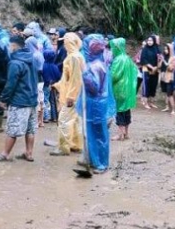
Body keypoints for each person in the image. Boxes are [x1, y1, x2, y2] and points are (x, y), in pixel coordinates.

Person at [0, 35, 38, 162]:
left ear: (14, 46)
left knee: (12, 128)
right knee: (30, 129)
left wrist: (4, 99)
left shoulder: (15, 63)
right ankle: (29, 153)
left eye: (10, 45)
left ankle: (4, 154)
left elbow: (11, 83)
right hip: (32, 99)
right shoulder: (31, 59)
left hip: (19, 100)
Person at [81, 34, 114, 174]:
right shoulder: (102, 64)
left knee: (97, 133)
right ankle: (96, 161)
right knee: (96, 133)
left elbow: (94, 88)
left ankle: (101, 163)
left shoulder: (95, 67)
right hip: (98, 103)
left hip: (95, 103)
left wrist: (85, 75)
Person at [48, 32, 84, 156]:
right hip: (74, 94)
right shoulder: (76, 56)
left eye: (65, 42)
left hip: (72, 95)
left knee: (63, 120)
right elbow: (66, 79)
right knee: (75, 121)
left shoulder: (73, 57)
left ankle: (63, 147)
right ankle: (75, 144)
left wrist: (71, 97)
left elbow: (75, 79)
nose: (63, 45)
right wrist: (57, 85)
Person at [109, 38, 138, 141]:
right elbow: (135, 72)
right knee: (126, 111)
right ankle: (126, 133)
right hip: (128, 90)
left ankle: (120, 134)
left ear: (116, 47)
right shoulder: (127, 58)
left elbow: (114, 76)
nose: (112, 50)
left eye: (113, 48)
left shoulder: (118, 60)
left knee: (120, 111)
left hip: (119, 89)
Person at [26, 36, 46, 127]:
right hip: (41, 80)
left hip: (36, 81)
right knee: (41, 101)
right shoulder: (39, 53)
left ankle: (36, 122)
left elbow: (38, 69)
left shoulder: (34, 55)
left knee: (37, 101)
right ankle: (40, 121)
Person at [139, 36, 160, 109]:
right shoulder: (145, 49)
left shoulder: (156, 49)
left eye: (151, 40)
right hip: (146, 70)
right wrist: (151, 67)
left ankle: (151, 102)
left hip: (155, 71)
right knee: (146, 86)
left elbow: (160, 59)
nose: (149, 42)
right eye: (148, 40)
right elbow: (143, 60)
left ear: (154, 41)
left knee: (153, 86)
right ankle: (145, 103)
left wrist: (156, 67)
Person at [42, 47, 61, 123]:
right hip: (54, 85)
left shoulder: (44, 66)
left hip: (46, 85)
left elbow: (43, 75)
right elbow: (58, 76)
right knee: (53, 101)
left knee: (45, 100)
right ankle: (54, 117)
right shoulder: (55, 66)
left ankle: (46, 116)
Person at [159, 44, 175, 114]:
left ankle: (173, 110)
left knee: (170, 94)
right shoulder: (164, 57)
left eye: (167, 49)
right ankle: (167, 107)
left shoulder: (173, 58)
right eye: (165, 49)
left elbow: (171, 68)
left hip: (170, 79)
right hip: (164, 78)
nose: (165, 50)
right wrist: (160, 60)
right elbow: (159, 66)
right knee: (166, 93)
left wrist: (165, 62)